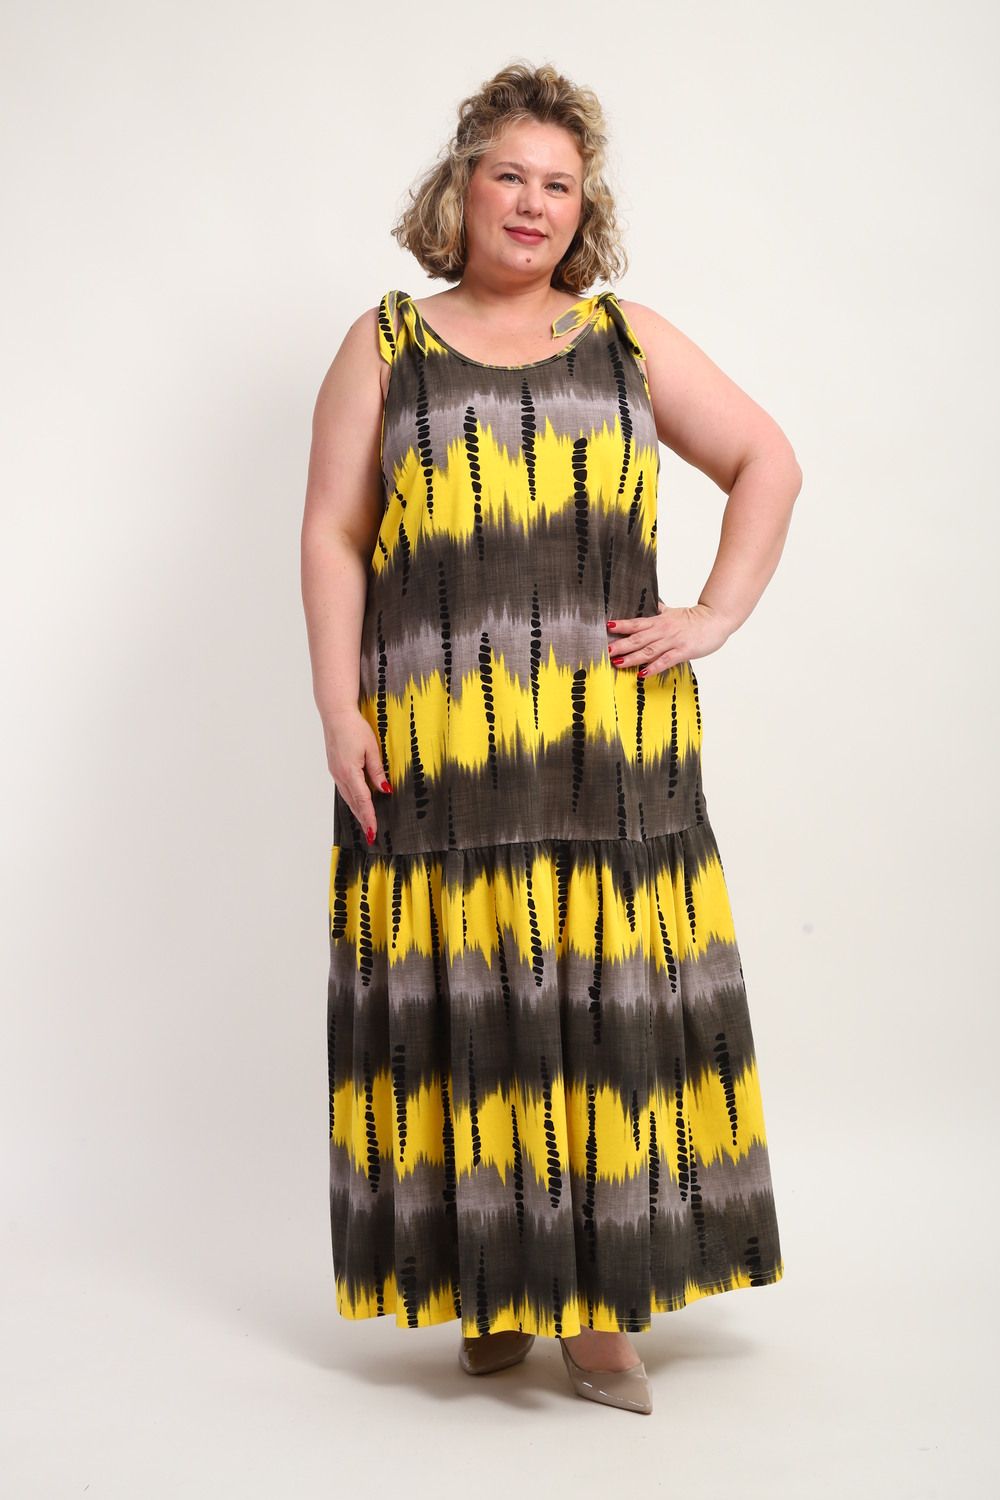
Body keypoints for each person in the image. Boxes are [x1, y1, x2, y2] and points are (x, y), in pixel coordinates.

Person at [300, 60, 801, 1416]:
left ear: (585, 210)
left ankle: (599, 1311)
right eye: (508, 175)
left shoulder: (627, 339)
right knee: (465, 1011)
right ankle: (494, 1287)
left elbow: (767, 459)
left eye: (559, 185)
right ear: (460, 189)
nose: (531, 203)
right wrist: (337, 705)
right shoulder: (384, 345)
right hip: (436, 752)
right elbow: (335, 531)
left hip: (608, 759)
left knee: (599, 1011)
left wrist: (715, 613)